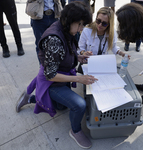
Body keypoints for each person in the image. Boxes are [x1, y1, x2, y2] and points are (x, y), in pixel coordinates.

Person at [16, 2, 96, 149]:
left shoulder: (66, 28)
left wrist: (78, 57)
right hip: (51, 80)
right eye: (81, 24)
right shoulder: (54, 39)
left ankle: (31, 98)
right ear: (71, 20)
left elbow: (64, 54)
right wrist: (79, 78)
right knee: (79, 105)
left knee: (62, 107)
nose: (82, 29)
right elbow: (51, 75)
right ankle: (76, 131)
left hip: (61, 74)